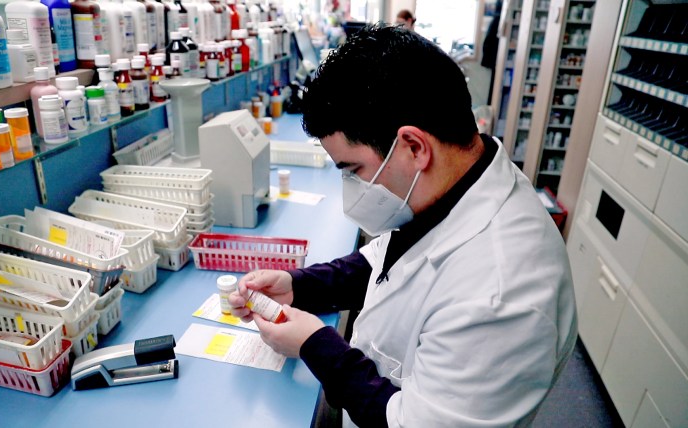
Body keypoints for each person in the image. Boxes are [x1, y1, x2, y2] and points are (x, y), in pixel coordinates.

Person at [229, 24, 577, 428]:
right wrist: (299, 286)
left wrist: (315, 344)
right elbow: (385, 262)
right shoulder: (459, 179)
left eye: (353, 169)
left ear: (414, 147)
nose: (351, 188)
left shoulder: (501, 296)